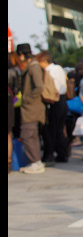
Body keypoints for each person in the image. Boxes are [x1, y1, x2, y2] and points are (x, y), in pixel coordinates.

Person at [15, 43, 46, 174]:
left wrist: (27, 99)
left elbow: (39, 87)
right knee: (31, 135)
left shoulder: (33, 67)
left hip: (32, 108)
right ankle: (36, 162)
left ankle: (36, 162)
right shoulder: (33, 66)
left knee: (27, 135)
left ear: (22, 54)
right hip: (32, 108)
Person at [37, 51, 69, 163]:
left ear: (44, 61)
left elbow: (50, 89)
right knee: (59, 129)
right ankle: (63, 154)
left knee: (53, 130)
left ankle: (56, 154)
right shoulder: (59, 68)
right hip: (62, 100)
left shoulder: (48, 71)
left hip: (55, 101)